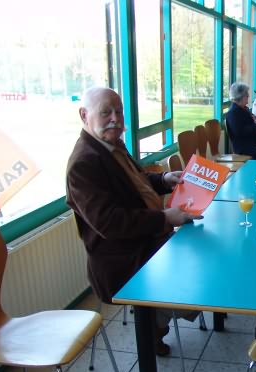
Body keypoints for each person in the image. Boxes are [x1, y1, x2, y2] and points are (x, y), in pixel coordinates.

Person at [66, 86, 203, 357]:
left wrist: (163, 179)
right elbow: (110, 222)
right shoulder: (83, 163)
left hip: (147, 238)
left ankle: (158, 318)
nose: (115, 119)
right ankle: (153, 324)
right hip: (123, 258)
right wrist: (164, 218)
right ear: (84, 115)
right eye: (106, 113)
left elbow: (135, 183)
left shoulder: (111, 144)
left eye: (119, 112)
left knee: (200, 249)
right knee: (193, 271)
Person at [225, 82, 256, 159]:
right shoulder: (233, 112)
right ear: (240, 96)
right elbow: (239, 132)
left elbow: (249, 124)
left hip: (251, 145)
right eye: (246, 94)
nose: (248, 96)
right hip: (244, 149)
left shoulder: (242, 109)